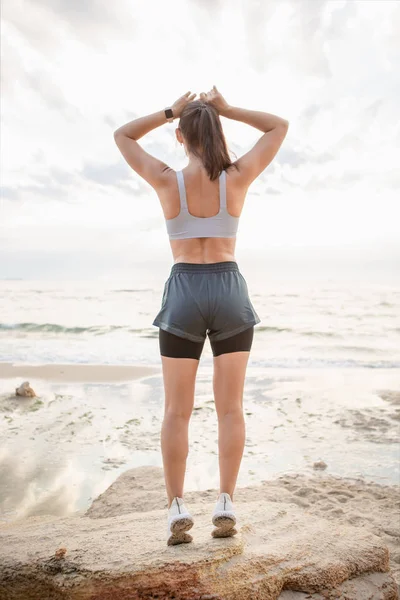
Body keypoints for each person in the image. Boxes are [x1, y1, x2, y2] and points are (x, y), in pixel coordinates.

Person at [114, 86, 289, 545]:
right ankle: (226, 502)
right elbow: (278, 126)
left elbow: (123, 136)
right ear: (215, 131)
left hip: (184, 289)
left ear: (181, 136)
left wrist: (172, 109)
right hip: (229, 288)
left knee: (176, 410)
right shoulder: (238, 175)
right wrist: (228, 108)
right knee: (230, 408)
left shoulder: (167, 179)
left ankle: (176, 509)